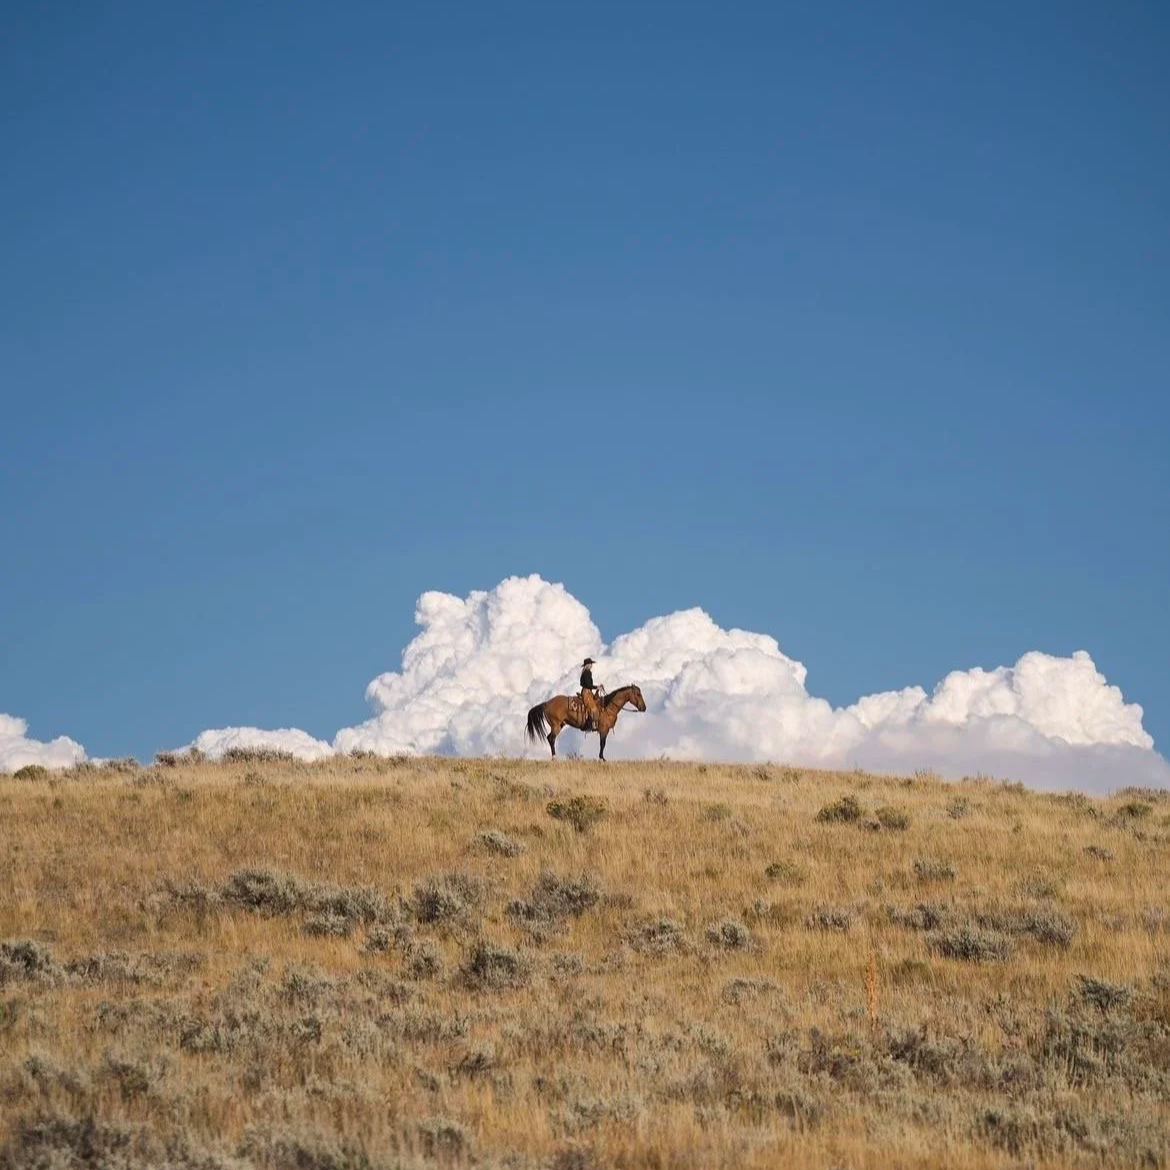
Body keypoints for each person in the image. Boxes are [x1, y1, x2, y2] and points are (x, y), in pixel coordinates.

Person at [579, 657, 603, 730]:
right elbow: (588, 685)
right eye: (590, 664)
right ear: (588, 665)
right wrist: (597, 687)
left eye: (591, 664)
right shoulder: (587, 672)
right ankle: (591, 725)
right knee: (592, 707)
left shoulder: (585, 672)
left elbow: (583, 684)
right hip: (586, 692)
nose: (591, 665)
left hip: (587, 691)